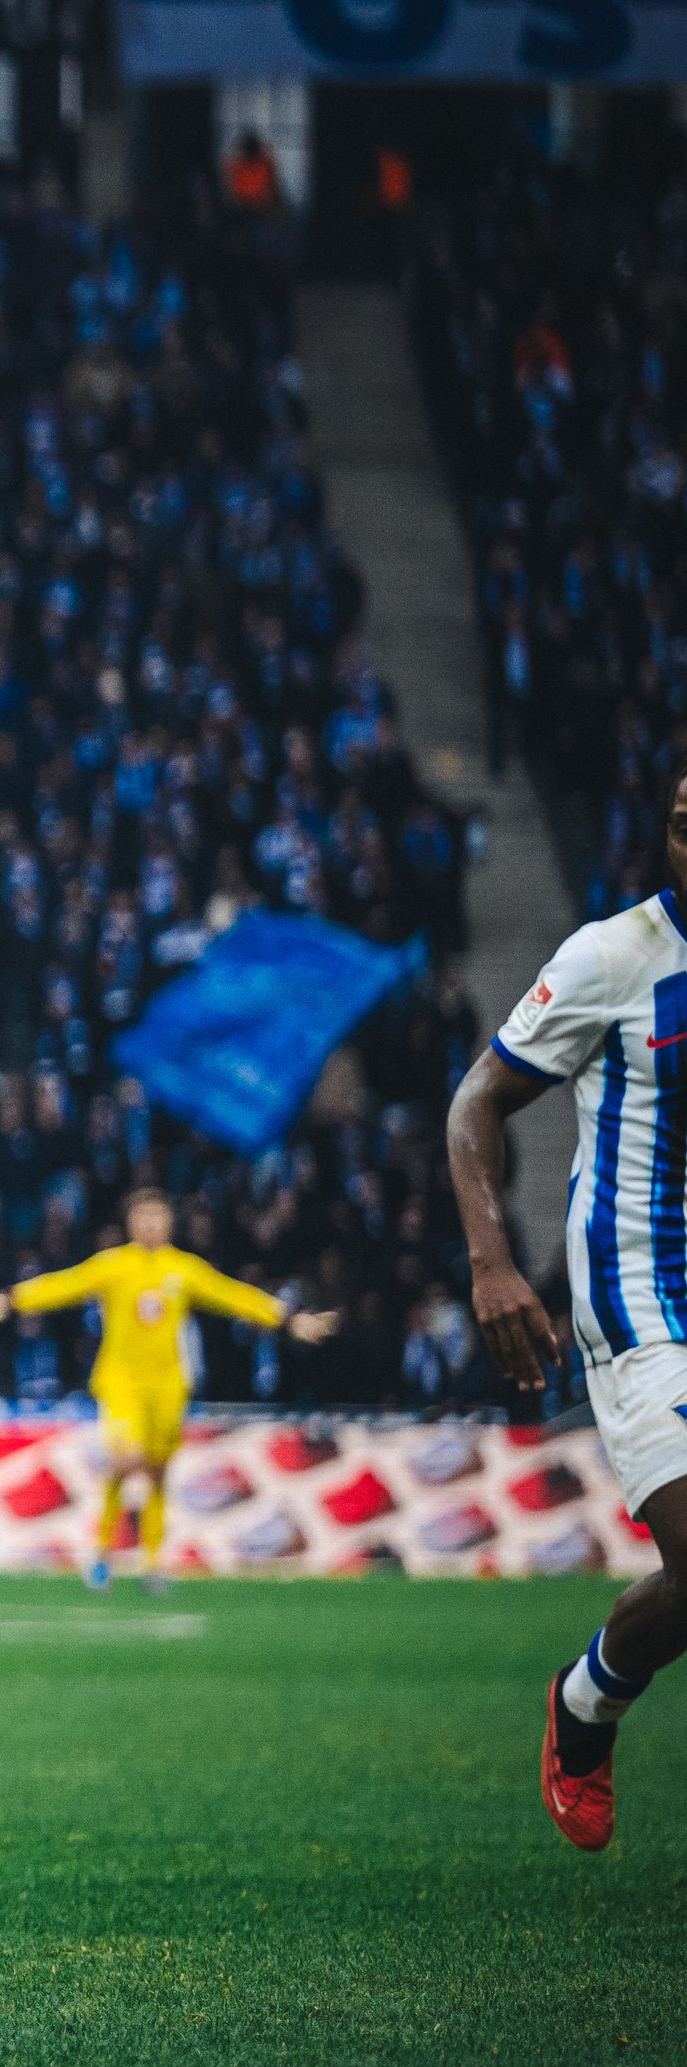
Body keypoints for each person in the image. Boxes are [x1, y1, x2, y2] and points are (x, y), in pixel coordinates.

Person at [451, 768, 687, 1850]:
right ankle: (583, 1704)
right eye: (680, 824)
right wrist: (492, 1262)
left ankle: (588, 1696)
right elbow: (476, 1101)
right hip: (642, 1298)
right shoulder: (614, 957)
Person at [0, 1191, 334, 1593]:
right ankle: (101, 1551)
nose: (151, 1223)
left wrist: (289, 1319)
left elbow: (234, 1296)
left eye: (158, 1215)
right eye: (143, 1215)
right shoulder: (114, 1265)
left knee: (156, 1472)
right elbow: (61, 1285)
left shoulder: (183, 1268)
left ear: (169, 1221)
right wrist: (5, 1301)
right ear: (130, 1222)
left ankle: (153, 1562)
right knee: (127, 1458)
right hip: (121, 1383)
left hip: (169, 1387)